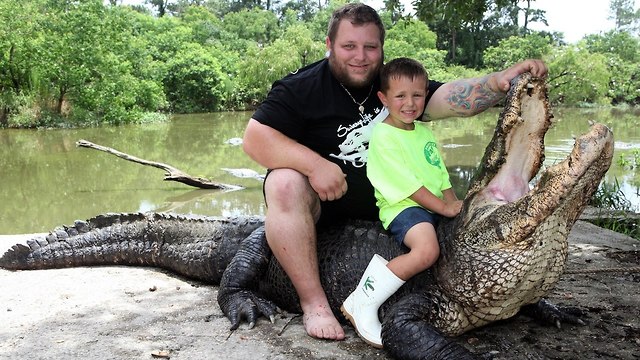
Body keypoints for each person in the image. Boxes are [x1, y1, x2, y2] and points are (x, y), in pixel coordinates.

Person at [242, 2, 547, 342]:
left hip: (394, 209)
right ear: (329, 46)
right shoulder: (301, 88)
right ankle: (315, 305)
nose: (361, 56)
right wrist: (315, 165)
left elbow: (449, 97)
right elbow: (255, 139)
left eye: (370, 47)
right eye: (349, 46)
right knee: (283, 182)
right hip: (323, 210)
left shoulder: (393, 84)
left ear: (381, 49)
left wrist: (497, 82)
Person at [341, 57, 463, 348]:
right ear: (384, 98)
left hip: (429, 203)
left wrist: (455, 203)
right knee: (427, 251)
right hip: (403, 206)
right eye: (400, 96)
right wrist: (444, 208)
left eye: (418, 95)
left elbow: (439, 174)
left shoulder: (423, 132)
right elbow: (409, 186)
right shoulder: (383, 135)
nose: (410, 103)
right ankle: (362, 301)